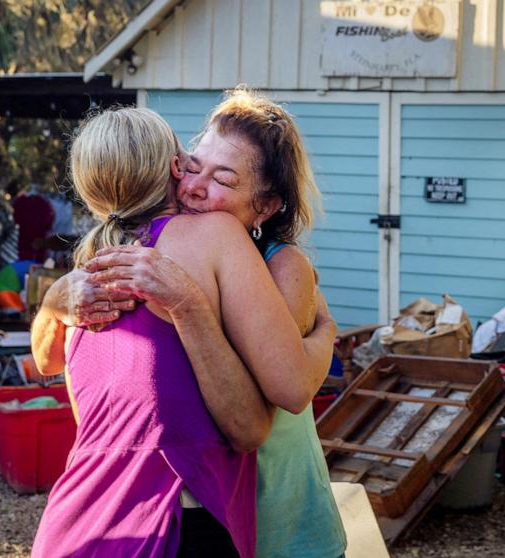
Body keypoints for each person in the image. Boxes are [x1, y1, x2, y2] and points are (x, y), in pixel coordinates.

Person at [32, 89, 348, 558]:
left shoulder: (279, 264)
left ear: (265, 207)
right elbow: (247, 426)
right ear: (173, 167)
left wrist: (322, 335)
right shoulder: (123, 265)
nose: (197, 184)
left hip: (264, 519)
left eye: (223, 178)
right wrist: (55, 300)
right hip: (192, 511)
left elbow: (290, 386)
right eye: (193, 164)